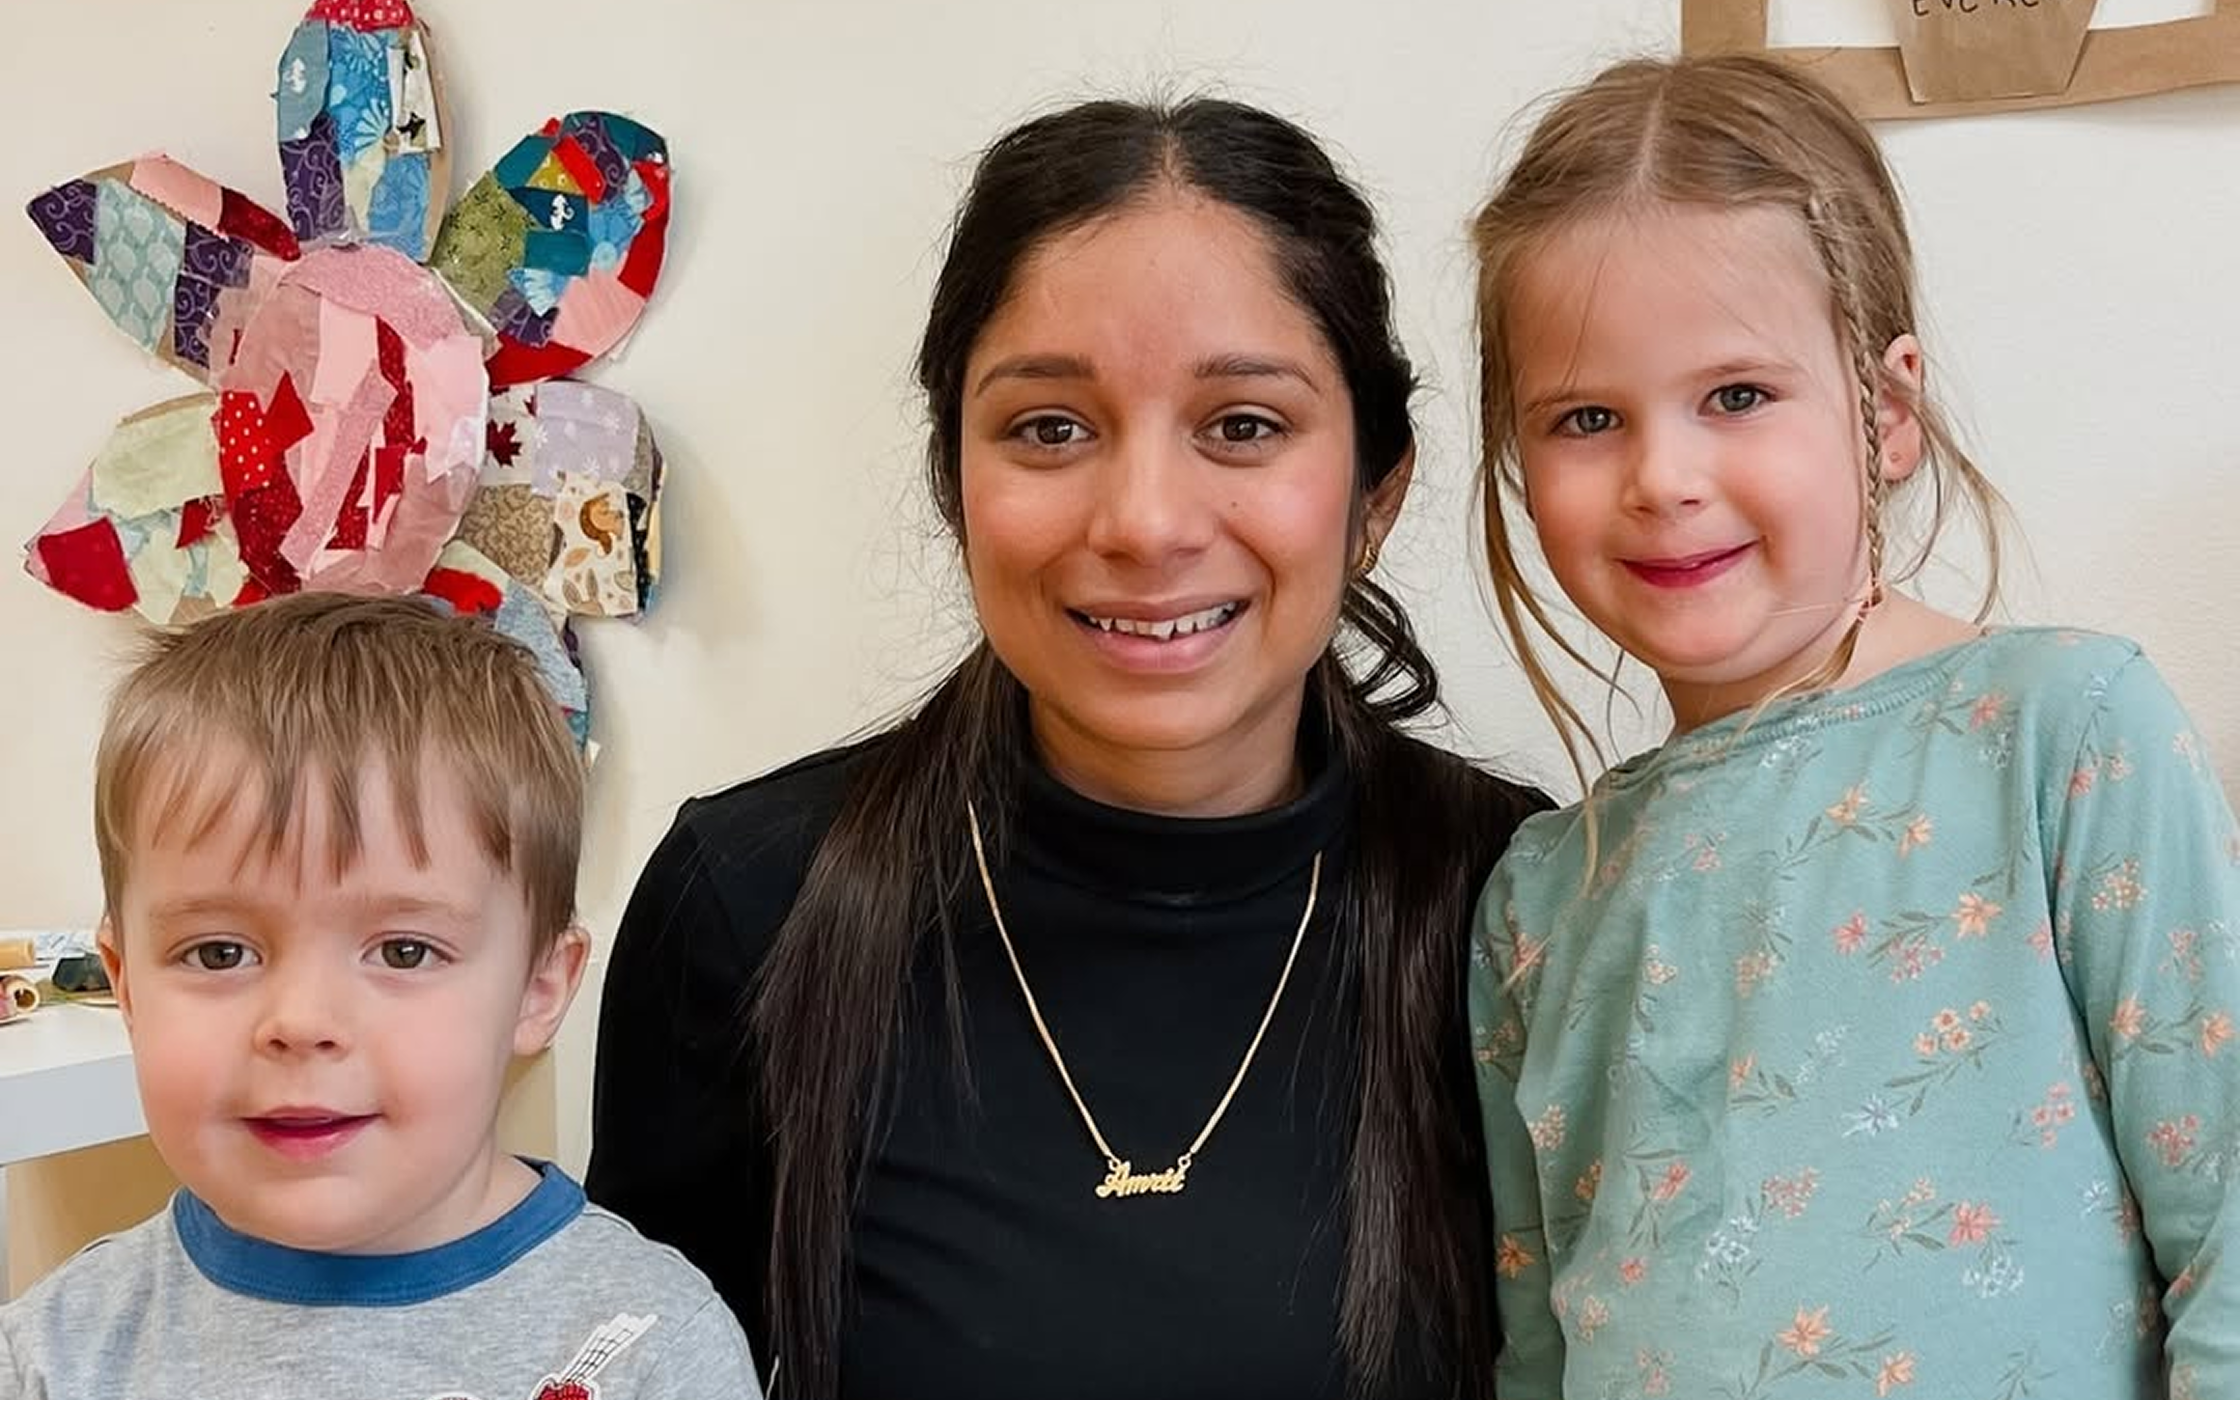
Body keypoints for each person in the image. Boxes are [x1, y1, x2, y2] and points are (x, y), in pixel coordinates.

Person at [585, 96, 1548, 1398]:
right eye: (1050, 427)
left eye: (1242, 424)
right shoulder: (749, 906)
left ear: (1376, 495)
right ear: (953, 481)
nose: (1145, 522)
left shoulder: (1523, 906)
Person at [1465, 53, 2240, 1399]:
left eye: (1736, 396)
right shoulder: (1538, 894)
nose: (1662, 477)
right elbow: (1535, 1341)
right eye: (1586, 418)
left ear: (1884, 413)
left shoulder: (2062, 735)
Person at [0, 592, 761, 1399]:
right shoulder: (49, 1358)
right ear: (125, 983)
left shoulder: (651, 1348)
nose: (301, 1022)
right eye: (220, 952)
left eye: (405, 950)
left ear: (538, 988)